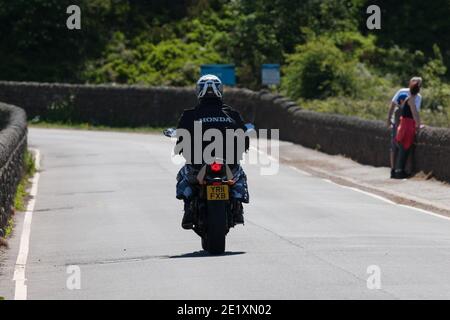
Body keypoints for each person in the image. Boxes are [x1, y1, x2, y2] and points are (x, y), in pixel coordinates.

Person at [175, 75, 250, 230]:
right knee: (240, 175)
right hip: (228, 164)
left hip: (199, 165)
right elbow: (245, 138)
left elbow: (180, 140)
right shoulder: (232, 114)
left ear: (198, 91)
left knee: (183, 175)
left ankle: (189, 208)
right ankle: (238, 209)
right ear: (221, 90)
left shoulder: (190, 115)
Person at [387, 77, 423, 178]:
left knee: (404, 146)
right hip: (405, 124)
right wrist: (418, 124)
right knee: (401, 147)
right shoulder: (408, 96)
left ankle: (401, 170)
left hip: (405, 123)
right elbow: (415, 113)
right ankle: (397, 171)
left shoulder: (413, 97)